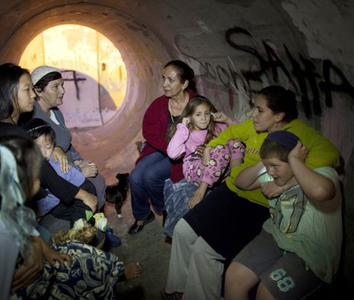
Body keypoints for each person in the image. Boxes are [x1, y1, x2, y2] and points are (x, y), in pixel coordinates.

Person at [162, 86, 341, 300]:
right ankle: (177, 290)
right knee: (182, 230)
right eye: (253, 109)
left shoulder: (301, 136)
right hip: (232, 190)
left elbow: (331, 157)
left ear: (278, 116)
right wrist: (211, 147)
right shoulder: (253, 127)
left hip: (259, 205)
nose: (253, 115)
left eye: (259, 110)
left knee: (204, 251)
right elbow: (230, 134)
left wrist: (288, 180)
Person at [0, 131, 141, 300]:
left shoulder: (3, 203)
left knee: (79, 250)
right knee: (78, 279)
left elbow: (28, 230)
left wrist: (47, 251)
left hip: (30, 259)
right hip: (25, 289)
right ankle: (104, 285)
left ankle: (111, 275)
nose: (41, 169)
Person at [0, 63, 100, 234]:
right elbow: (46, 174)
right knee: (88, 191)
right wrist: (84, 195)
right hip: (13, 219)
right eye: (27, 90)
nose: (33, 95)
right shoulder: (14, 133)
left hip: (10, 215)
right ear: (9, 93)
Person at [225, 130, 342, 300]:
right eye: (268, 166)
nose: (270, 171)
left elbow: (321, 191)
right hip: (277, 235)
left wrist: (294, 161)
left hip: (311, 251)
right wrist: (264, 161)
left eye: (275, 166)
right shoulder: (272, 176)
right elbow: (241, 182)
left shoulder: (320, 173)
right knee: (234, 277)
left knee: (266, 293)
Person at [24, 65, 107, 212]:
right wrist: (79, 171)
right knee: (95, 183)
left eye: (62, 85)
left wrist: (78, 159)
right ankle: (93, 230)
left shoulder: (55, 112)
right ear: (38, 91)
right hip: (59, 179)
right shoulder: (35, 120)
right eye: (55, 87)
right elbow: (45, 164)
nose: (62, 91)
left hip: (70, 167)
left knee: (98, 179)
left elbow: (68, 144)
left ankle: (97, 228)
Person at [128, 60, 198, 234]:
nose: (165, 84)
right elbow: (149, 130)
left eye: (171, 80)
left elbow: (210, 129)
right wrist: (169, 147)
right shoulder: (159, 104)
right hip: (161, 148)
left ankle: (165, 207)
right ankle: (143, 215)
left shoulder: (198, 104)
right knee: (135, 176)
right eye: (164, 79)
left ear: (184, 84)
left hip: (186, 153)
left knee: (151, 175)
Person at [164, 96, 244, 236]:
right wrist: (182, 127)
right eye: (198, 114)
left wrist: (227, 120)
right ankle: (200, 192)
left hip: (220, 169)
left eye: (207, 113)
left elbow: (243, 134)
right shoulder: (188, 134)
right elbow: (172, 153)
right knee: (222, 149)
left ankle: (236, 178)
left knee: (234, 142)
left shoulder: (217, 127)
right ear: (190, 116)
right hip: (195, 169)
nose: (204, 118)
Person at [24, 118, 96, 225]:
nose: (44, 153)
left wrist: (40, 211)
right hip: (65, 197)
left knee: (80, 212)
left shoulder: (54, 163)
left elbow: (57, 194)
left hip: (81, 187)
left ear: (53, 146)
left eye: (48, 147)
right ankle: (94, 220)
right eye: (38, 148)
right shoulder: (32, 164)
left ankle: (79, 230)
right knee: (59, 211)